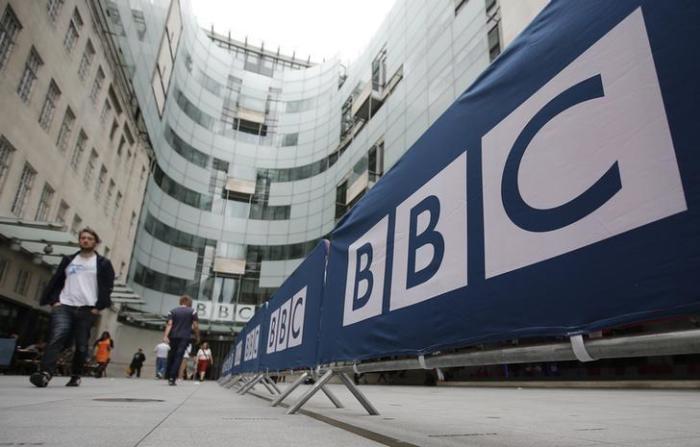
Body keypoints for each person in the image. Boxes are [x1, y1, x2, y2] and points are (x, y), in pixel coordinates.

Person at [30, 228, 115, 388]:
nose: (85, 240)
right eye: (83, 238)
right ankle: (45, 373)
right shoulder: (69, 259)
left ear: (95, 243)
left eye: (89, 238)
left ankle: (76, 375)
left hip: (87, 309)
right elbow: (57, 280)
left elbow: (108, 286)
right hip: (65, 305)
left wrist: (98, 307)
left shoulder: (103, 264)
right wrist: (55, 301)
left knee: (82, 344)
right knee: (57, 336)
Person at [163, 295, 200, 386]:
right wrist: (197, 336)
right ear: (189, 302)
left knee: (172, 355)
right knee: (179, 356)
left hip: (173, 336)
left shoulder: (172, 311)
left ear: (181, 302)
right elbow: (195, 325)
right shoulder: (192, 311)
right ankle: (172, 377)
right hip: (184, 337)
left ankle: (168, 375)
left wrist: (165, 336)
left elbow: (169, 324)